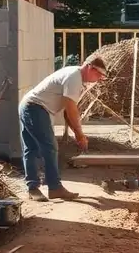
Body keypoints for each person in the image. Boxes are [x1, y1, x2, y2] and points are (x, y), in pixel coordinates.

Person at [18, 57, 107, 201]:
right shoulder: (74, 78)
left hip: (29, 105)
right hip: (35, 108)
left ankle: (34, 188)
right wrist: (80, 135)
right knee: (49, 147)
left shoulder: (75, 76)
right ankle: (54, 187)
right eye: (99, 75)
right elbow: (71, 109)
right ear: (90, 68)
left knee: (32, 148)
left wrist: (78, 134)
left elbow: (67, 111)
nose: (99, 79)